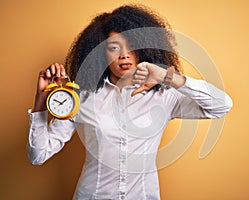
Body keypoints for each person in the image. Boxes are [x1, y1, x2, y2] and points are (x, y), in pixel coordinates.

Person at [27, 4, 232, 200]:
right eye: (114, 47)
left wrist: (168, 77)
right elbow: (38, 155)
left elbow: (222, 105)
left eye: (132, 45)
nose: (124, 54)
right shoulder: (82, 98)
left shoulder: (164, 96)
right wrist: (41, 100)